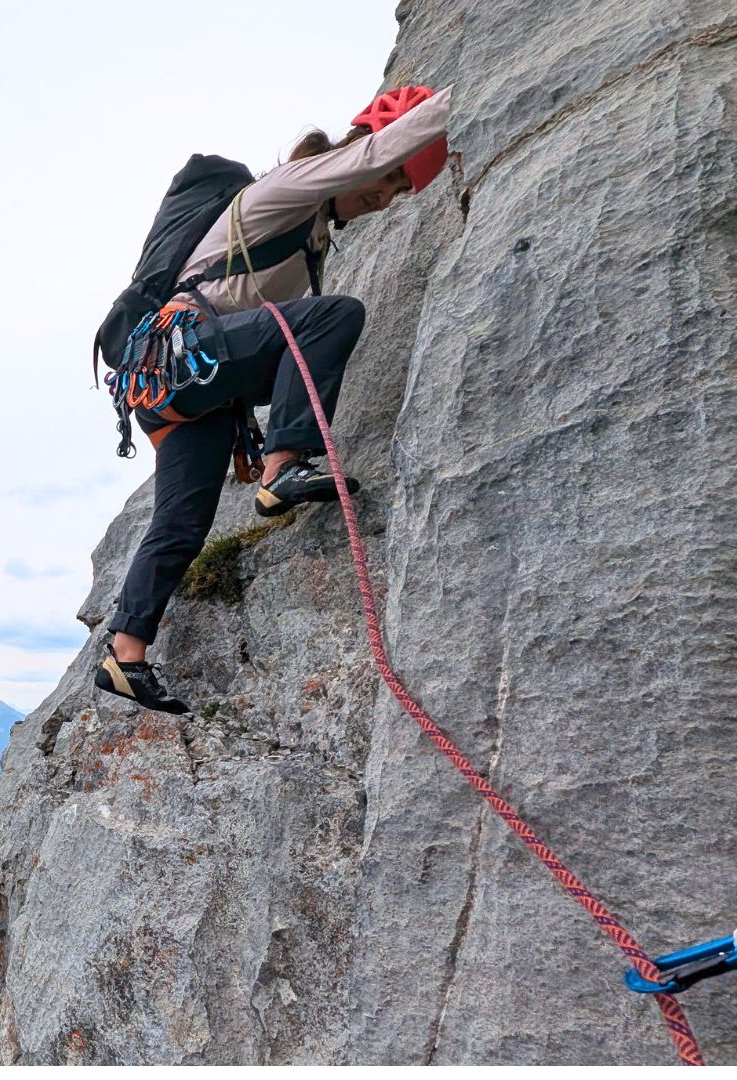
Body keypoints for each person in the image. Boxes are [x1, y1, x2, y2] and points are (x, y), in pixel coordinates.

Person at [94, 86, 455, 713]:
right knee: (332, 316)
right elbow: (373, 155)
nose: (384, 195)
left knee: (181, 521)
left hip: (182, 383)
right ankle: (283, 467)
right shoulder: (292, 185)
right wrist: (465, 91)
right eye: (389, 180)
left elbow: (267, 334)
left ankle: (124, 655)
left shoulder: (310, 237)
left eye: (397, 191)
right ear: (361, 155)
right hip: (187, 357)